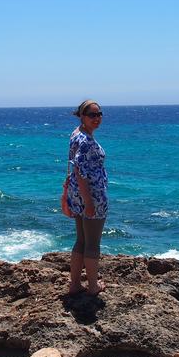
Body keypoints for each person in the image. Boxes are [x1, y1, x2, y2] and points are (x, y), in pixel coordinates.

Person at [66, 99, 108, 296]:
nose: (97, 118)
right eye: (92, 115)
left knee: (81, 241)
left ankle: (75, 284)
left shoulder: (76, 134)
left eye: (99, 114)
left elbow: (73, 167)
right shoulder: (85, 141)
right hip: (91, 196)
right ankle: (92, 286)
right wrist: (89, 202)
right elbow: (81, 172)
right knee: (92, 244)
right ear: (82, 116)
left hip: (77, 194)